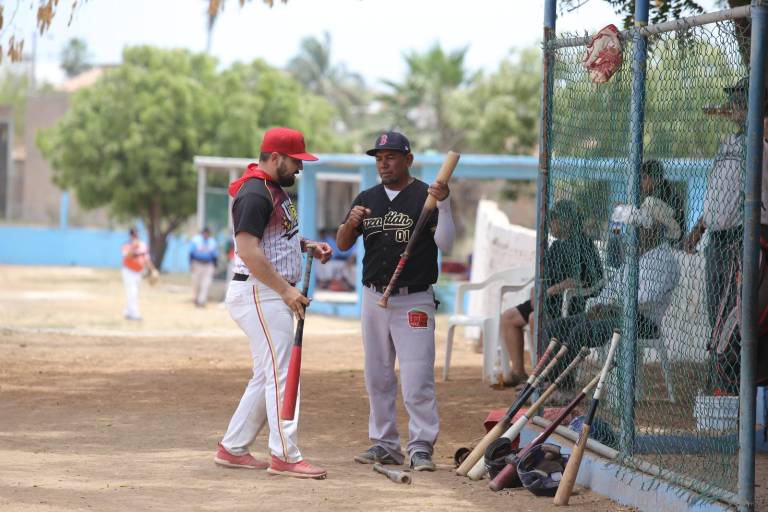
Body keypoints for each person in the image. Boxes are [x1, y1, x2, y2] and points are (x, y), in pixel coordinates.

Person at [214, 127, 333, 479]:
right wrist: (285, 290)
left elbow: (274, 239)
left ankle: (233, 447)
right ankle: (284, 454)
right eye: (295, 161)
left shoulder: (271, 189)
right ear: (276, 157)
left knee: (267, 374)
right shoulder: (255, 193)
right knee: (282, 374)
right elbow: (248, 250)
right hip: (259, 292)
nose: (299, 168)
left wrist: (306, 245)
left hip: (263, 291)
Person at [336, 131, 456, 471]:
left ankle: (421, 447)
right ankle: (385, 444)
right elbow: (344, 243)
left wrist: (444, 203)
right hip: (374, 297)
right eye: (378, 157)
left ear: (408, 160)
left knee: (417, 378)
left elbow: (446, 243)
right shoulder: (367, 197)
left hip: (413, 299)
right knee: (377, 375)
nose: (383, 163)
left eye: (390, 156)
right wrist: (351, 222)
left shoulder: (427, 195)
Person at [544, 196, 680, 395]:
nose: (638, 230)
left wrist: (611, 307)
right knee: (556, 327)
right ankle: (549, 381)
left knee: (579, 331)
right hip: (615, 314)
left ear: (656, 229)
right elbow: (612, 288)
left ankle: (562, 389)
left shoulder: (664, 260)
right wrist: (598, 305)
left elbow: (646, 299)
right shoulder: (639, 256)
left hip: (642, 321)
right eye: (639, 226)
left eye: (643, 226)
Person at [499, 200, 602, 387]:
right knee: (508, 317)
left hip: (570, 301)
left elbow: (583, 280)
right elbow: (545, 275)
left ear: (568, 221)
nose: (551, 223)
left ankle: (541, 376)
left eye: (555, 219)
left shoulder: (582, 244)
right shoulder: (556, 245)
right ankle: (519, 373)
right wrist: (536, 290)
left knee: (533, 318)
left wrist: (550, 291)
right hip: (547, 298)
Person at [121, 227, 157, 321]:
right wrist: (133, 247)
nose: (135, 236)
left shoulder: (143, 245)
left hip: (138, 272)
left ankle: (128, 311)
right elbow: (126, 257)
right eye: (133, 234)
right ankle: (135, 314)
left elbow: (146, 259)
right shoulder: (127, 245)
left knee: (134, 293)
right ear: (130, 235)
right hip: (128, 271)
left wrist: (153, 270)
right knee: (132, 292)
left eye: (136, 234)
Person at [189, 227, 218, 307]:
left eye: (208, 233)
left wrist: (215, 267)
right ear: (202, 233)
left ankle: (202, 301)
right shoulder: (196, 240)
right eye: (205, 233)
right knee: (196, 283)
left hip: (208, 265)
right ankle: (196, 298)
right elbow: (191, 253)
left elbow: (215, 256)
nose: (206, 234)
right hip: (197, 263)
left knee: (206, 283)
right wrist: (191, 264)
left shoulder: (212, 242)